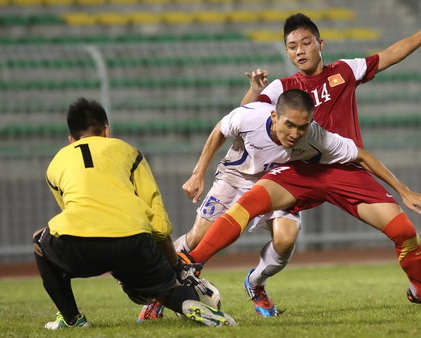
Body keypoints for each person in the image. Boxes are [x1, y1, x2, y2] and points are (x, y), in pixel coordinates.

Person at [183, 14, 421, 313]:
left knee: (404, 232)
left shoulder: (343, 70)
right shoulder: (282, 88)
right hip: (297, 170)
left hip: (347, 169)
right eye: (292, 46)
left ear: (320, 43)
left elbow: (390, 55)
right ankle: (195, 266)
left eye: (306, 43)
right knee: (256, 212)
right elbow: (245, 115)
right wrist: (253, 88)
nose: (299, 51)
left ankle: (419, 291)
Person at [139, 88, 362, 319]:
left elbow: (356, 155)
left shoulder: (315, 136)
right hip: (234, 178)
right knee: (198, 236)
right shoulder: (251, 116)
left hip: (276, 184)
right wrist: (198, 173)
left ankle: (255, 284)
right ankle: (161, 293)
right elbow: (220, 130)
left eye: (301, 126)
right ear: (275, 116)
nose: (295, 133)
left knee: (285, 240)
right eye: (289, 124)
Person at [33, 97, 236, 330]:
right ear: (106, 130)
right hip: (132, 238)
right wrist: (176, 269)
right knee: (164, 290)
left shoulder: (56, 162)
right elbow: (158, 223)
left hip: (79, 243)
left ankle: (73, 319)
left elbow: (71, 214)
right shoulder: (128, 151)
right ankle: (188, 304)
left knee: (40, 242)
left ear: (71, 139)